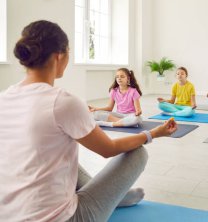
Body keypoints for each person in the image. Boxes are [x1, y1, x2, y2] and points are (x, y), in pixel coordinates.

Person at [0, 20, 177, 222]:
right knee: (138, 152)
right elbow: (108, 149)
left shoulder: (3, 98)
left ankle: (113, 196)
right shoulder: (63, 102)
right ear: (60, 56)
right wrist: (153, 133)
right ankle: (113, 196)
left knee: (56, 152)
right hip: (68, 218)